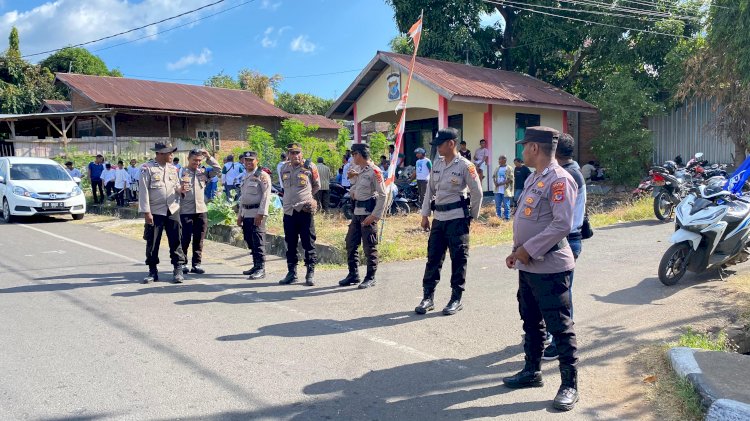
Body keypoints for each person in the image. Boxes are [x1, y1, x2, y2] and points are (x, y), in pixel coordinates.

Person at [502, 126, 579, 411]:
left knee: (560, 327)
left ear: (535, 148)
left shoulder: (559, 180)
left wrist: (526, 250)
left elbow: (562, 224)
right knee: (531, 322)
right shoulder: (535, 178)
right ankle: (532, 371)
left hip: (550, 267)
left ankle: (570, 384)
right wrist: (517, 251)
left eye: (524, 146)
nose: (521, 151)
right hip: (528, 266)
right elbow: (527, 220)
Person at [415, 128, 482, 316]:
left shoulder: (465, 166)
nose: (437, 148)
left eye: (439, 145)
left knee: (458, 258)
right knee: (433, 258)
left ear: (450, 144)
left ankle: (456, 298)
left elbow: (477, 192)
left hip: (457, 219)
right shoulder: (437, 163)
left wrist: (471, 217)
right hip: (439, 218)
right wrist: (424, 215)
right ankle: (428, 297)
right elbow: (430, 190)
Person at [542, 133, 587, 361]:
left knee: (560, 294)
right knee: (556, 292)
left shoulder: (567, 175)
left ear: (555, 152)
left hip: (567, 239)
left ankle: (560, 341)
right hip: (568, 238)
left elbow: (559, 219)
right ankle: (552, 334)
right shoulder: (571, 170)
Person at [338, 143, 387, 289]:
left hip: (368, 214)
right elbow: (355, 186)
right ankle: (353, 274)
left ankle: (370, 277)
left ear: (359, 154)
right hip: (357, 213)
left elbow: (383, 195)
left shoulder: (375, 171)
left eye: (353, 155)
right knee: (351, 243)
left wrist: (375, 216)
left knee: (369, 247)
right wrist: (352, 184)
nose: (352, 157)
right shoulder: (358, 170)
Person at [139, 142, 187, 284]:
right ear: (160, 153)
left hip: (172, 209)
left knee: (176, 240)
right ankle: (152, 271)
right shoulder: (147, 168)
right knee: (152, 242)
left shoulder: (173, 169)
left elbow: (176, 186)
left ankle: (178, 269)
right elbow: (143, 191)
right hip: (155, 211)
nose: (172, 155)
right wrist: (146, 212)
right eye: (169, 152)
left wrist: (181, 189)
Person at [278, 143, 320, 286]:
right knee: (290, 243)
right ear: (288, 154)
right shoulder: (284, 168)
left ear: (301, 153)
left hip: (304, 211)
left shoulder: (310, 167)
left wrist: (308, 198)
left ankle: (310, 273)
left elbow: (317, 185)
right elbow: (284, 187)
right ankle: (292, 273)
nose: (295, 155)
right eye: (292, 153)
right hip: (289, 211)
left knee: (308, 242)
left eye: (297, 153)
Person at [179, 148, 221, 275]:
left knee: (199, 238)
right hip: (185, 210)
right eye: (194, 160)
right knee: (185, 238)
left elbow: (218, 170)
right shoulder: (180, 172)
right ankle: (182, 263)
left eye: (199, 160)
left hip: (201, 210)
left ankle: (196, 264)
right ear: (188, 159)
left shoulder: (203, 172)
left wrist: (209, 157)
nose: (197, 163)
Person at [237, 151, 272, 279]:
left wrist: (261, 213)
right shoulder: (245, 175)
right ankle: (255, 265)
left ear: (257, 161)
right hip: (246, 213)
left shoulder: (262, 175)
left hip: (256, 213)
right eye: (246, 160)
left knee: (258, 240)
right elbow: (243, 197)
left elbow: (266, 196)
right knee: (248, 239)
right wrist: (240, 214)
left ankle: (261, 268)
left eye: (251, 160)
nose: (249, 162)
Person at [493, 155, 514, 220]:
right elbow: (494, 176)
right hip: (497, 190)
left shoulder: (509, 168)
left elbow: (510, 179)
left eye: (500, 159)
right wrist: (495, 182)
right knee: (497, 205)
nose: (499, 161)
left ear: (504, 160)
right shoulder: (497, 168)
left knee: (506, 205)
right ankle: (498, 217)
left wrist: (500, 184)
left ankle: (507, 218)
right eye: (499, 159)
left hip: (505, 190)